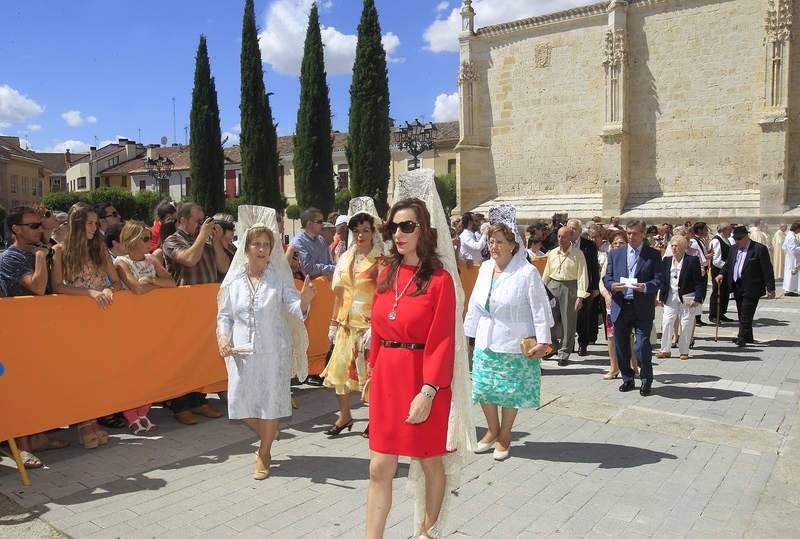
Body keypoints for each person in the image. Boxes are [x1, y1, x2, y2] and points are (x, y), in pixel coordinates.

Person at [367, 169, 474, 539]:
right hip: (387, 378)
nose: (398, 234)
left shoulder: (440, 280)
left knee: (429, 460)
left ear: (423, 231)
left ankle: (428, 532)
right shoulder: (384, 275)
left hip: (423, 379)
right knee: (379, 468)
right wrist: (371, 372)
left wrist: (428, 391)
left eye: (407, 226)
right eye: (394, 227)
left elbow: (442, 340)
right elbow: (378, 329)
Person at [217, 206, 315, 480]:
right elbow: (224, 315)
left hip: (273, 350)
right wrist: (224, 337)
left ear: (272, 248)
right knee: (238, 402)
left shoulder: (279, 277)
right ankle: (268, 432)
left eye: (266, 244)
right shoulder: (234, 279)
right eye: (256, 244)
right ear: (246, 247)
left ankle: (264, 452)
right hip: (241, 352)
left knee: (271, 402)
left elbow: (294, 307)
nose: (261, 249)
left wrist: (305, 300)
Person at [464, 204, 552, 461]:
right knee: (483, 388)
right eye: (491, 241)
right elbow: (475, 305)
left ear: (513, 244)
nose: (494, 246)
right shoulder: (485, 269)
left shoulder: (526, 272)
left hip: (513, 341)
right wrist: (466, 336)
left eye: (500, 241)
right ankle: (491, 430)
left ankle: (505, 434)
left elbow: (540, 309)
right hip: (485, 339)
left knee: (508, 391)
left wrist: (544, 342)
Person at [51, 204, 125, 447]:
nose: (95, 227)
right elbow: (58, 287)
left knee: (95, 371)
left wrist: (105, 288)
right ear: (77, 224)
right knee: (78, 372)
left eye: (95, 223)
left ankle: (92, 419)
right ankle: (84, 423)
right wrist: (91, 292)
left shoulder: (100, 250)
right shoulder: (60, 250)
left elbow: (116, 282)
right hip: (72, 319)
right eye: (90, 223)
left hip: (98, 318)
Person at [162, 203, 228, 424]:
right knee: (183, 358)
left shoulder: (207, 240)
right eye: (198, 221)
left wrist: (216, 241)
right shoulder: (172, 240)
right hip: (183, 311)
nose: (202, 224)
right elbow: (189, 259)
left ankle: (199, 400)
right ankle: (180, 405)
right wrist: (202, 236)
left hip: (207, 309)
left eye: (203, 220)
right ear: (182, 220)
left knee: (201, 355)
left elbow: (224, 267)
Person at [322, 197, 383, 437]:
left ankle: (374, 418)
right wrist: (333, 322)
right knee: (340, 374)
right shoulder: (345, 257)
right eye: (356, 231)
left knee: (370, 377)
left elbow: (384, 295)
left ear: (373, 231)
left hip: (368, 326)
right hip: (346, 324)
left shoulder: (381, 259)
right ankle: (345, 415)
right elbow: (339, 292)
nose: (360, 235)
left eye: (365, 230)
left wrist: (377, 326)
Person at [114, 221, 175, 433]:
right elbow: (137, 289)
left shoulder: (151, 259)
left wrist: (152, 280)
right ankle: (131, 415)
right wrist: (154, 283)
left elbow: (171, 283)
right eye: (146, 238)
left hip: (151, 323)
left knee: (150, 368)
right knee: (131, 372)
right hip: (128, 325)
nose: (150, 242)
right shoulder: (120, 262)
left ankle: (143, 413)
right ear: (132, 240)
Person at [603, 219, 664, 396]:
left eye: (635, 233)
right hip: (621, 305)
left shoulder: (652, 254)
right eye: (628, 233)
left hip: (642, 307)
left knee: (642, 346)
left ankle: (646, 380)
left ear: (643, 234)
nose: (631, 236)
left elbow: (659, 279)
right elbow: (607, 277)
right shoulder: (616, 254)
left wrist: (645, 287)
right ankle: (627, 378)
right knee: (621, 347)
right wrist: (612, 285)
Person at [717, 226, 776, 346]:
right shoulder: (733, 249)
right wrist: (721, 274)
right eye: (736, 239)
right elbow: (728, 264)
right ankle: (748, 336)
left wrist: (771, 288)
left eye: (739, 239)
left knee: (746, 312)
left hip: (752, 286)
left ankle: (741, 337)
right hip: (737, 285)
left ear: (746, 237)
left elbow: (767, 270)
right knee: (741, 311)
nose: (737, 241)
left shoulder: (759, 249)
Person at [541, 226, 589, 366]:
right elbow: (546, 273)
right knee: (549, 319)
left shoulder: (578, 254)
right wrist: (541, 289)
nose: (561, 239)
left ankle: (564, 353)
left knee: (569, 322)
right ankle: (553, 347)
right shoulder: (552, 253)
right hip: (553, 285)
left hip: (570, 287)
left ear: (571, 238)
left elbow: (582, 276)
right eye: (559, 236)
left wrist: (580, 296)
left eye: (564, 237)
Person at [657, 235, 705, 360]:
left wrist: (698, 298)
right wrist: (660, 296)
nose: (674, 248)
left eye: (677, 246)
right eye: (672, 245)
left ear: (684, 247)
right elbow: (663, 280)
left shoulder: (692, 260)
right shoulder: (666, 260)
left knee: (686, 323)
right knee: (667, 322)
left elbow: (698, 281)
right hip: (670, 297)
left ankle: (684, 350)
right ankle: (665, 349)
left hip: (687, 297)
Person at [567, 219, 600, 356]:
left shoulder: (589, 245)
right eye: (569, 228)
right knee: (568, 316)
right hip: (568, 285)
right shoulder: (562, 243)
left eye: (574, 228)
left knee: (583, 316)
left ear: (580, 231)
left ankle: (583, 343)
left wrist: (595, 287)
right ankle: (569, 344)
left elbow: (594, 267)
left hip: (584, 285)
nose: (571, 231)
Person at [290, 207, 335, 278]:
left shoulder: (321, 239)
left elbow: (330, 261)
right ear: (309, 223)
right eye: (320, 222)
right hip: (309, 287)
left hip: (326, 286)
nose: (322, 224)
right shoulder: (298, 242)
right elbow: (308, 269)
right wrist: (331, 269)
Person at [709, 223, 734, 322]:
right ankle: (713, 314)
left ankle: (721, 313)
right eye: (729, 229)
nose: (731, 231)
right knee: (717, 292)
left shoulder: (726, 240)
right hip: (718, 271)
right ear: (723, 230)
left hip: (725, 271)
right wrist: (728, 267)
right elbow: (716, 260)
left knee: (725, 292)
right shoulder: (716, 241)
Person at [782, 223, 800, 296]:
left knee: (790, 272)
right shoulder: (791, 237)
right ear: (797, 228)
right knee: (793, 273)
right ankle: (790, 290)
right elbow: (793, 249)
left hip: (790, 257)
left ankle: (790, 289)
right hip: (793, 258)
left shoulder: (789, 235)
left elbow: (784, 247)